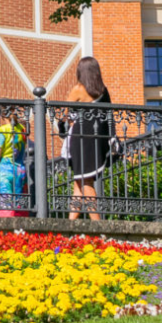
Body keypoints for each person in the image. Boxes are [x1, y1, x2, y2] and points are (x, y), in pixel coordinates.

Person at [62, 56, 114, 220]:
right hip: (97, 139)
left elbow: (65, 113)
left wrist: (66, 124)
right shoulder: (103, 91)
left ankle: (97, 225)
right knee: (79, 183)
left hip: (81, 137)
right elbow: (109, 116)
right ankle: (69, 225)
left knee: (85, 182)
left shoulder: (78, 89)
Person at [0, 110, 30, 217]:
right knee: (18, 208)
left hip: (4, 173)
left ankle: (8, 233)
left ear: (2, 116)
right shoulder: (22, 130)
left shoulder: (2, 130)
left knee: (5, 208)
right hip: (20, 172)